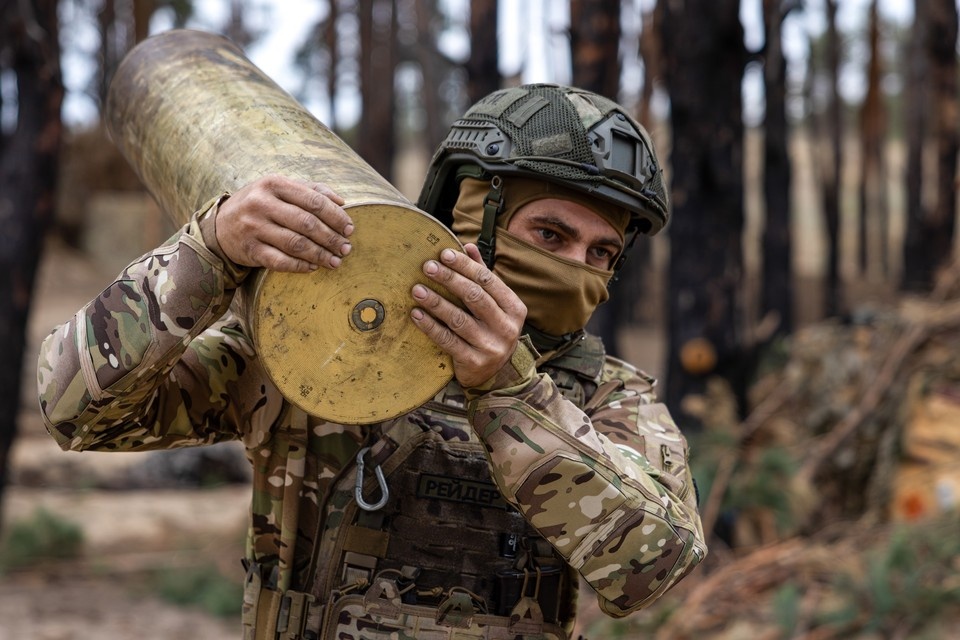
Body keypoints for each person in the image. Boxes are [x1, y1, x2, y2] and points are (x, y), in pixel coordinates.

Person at [37, 83, 706, 639]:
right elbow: (74, 408)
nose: (575, 269)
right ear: (471, 213)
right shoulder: (317, 342)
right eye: (550, 234)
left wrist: (510, 393)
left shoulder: (608, 395)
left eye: (601, 253)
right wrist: (207, 254)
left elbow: (653, 569)